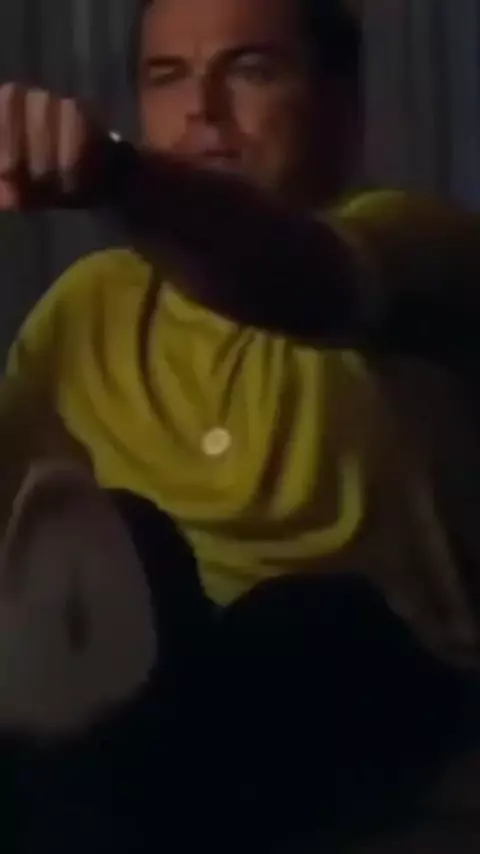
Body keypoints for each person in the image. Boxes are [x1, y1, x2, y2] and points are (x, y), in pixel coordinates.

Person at [1, 0, 480, 850]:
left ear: (342, 104)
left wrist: (121, 177)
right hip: (144, 710)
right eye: (167, 78)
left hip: (382, 686)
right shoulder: (87, 308)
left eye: (251, 70)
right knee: (124, 544)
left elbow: (307, 281)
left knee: (317, 620)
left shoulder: (426, 245)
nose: (201, 110)